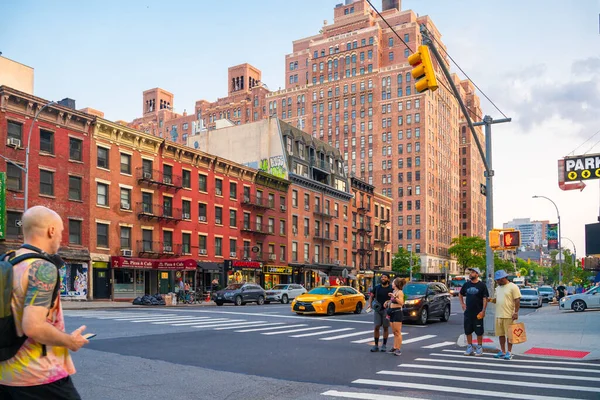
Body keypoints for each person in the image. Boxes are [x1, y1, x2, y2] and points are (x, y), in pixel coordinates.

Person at [0, 206, 88, 399]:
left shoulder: (8, 260)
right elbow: (33, 327)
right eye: (61, 232)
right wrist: (70, 341)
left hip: (5, 374)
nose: (61, 238)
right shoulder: (43, 268)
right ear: (51, 230)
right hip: (39, 376)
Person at [490, 270, 521, 360]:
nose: (497, 282)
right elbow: (496, 300)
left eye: (498, 280)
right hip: (499, 315)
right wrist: (491, 300)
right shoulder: (498, 288)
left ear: (504, 278)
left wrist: (516, 312)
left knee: (510, 335)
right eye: (496, 280)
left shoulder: (513, 287)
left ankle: (509, 352)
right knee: (501, 334)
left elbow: (517, 300)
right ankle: (502, 351)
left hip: (509, 315)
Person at [459, 267, 489, 357]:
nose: (470, 274)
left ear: (477, 274)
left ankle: (479, 348)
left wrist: (483, 311)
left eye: (472, 272)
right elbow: (460, 294)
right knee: (468, 331)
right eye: (470, 272)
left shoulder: (482, 285)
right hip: (468, 312)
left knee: (479, 331)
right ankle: (469, 347)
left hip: (478, 312)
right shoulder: (466, 285)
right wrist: (462, 304)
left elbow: (485, 298)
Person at [366, 273, 393, 352]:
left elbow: (393, 298)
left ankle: (384, 345)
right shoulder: (377, 287)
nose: (383, 278)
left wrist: (389, 301)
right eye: (382, 277)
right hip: (377, 309)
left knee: (385, 327)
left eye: (385, 277)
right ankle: (376, 345)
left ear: (388, 279)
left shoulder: (391, 288)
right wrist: (370, 305)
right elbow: (371, 296)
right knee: (376, 327)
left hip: (386, 310)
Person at [385, 278, 405, 356]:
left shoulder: (400, 292)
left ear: (396, 284)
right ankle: (394, 346)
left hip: (397, 312)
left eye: (393, 283)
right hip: (391, 312)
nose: (392, 284)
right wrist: (387, 302)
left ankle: (398, 349)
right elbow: (392, 301)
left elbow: (401, 303)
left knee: (397, 331)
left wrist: (394, 297)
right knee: (394, 332)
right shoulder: (394, 291)